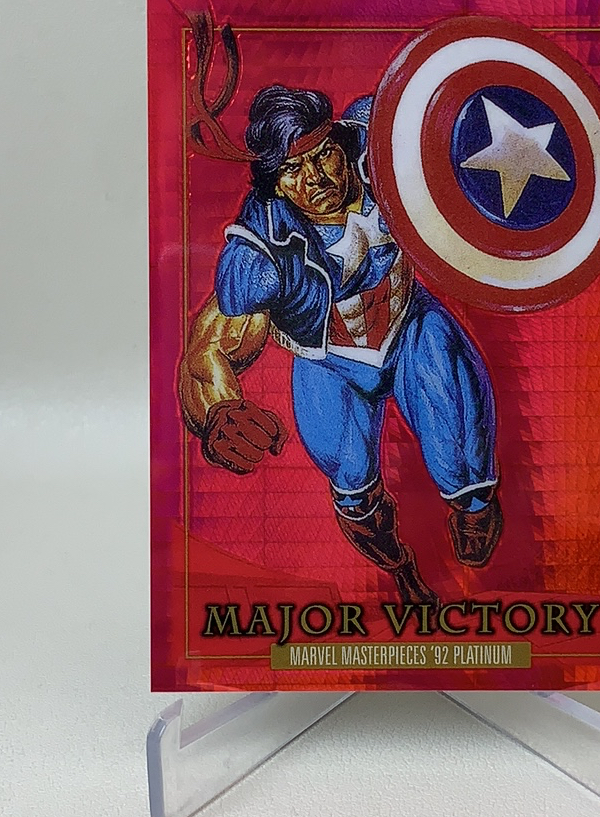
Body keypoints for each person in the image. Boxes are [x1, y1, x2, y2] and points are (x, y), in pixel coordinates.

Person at [179, 85, 502, 608]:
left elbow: (454, 113)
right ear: (275, 182)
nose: (316, 179)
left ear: (337, 141)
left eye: (323, 154)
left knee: (462, 448)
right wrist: (217, 410)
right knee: (353, 485)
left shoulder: (382, 143)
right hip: (329, 362)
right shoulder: (261, 248)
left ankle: (475, 507)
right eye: (293, 169)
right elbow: (211, 344)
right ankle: (397, 565)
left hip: (410, 325)